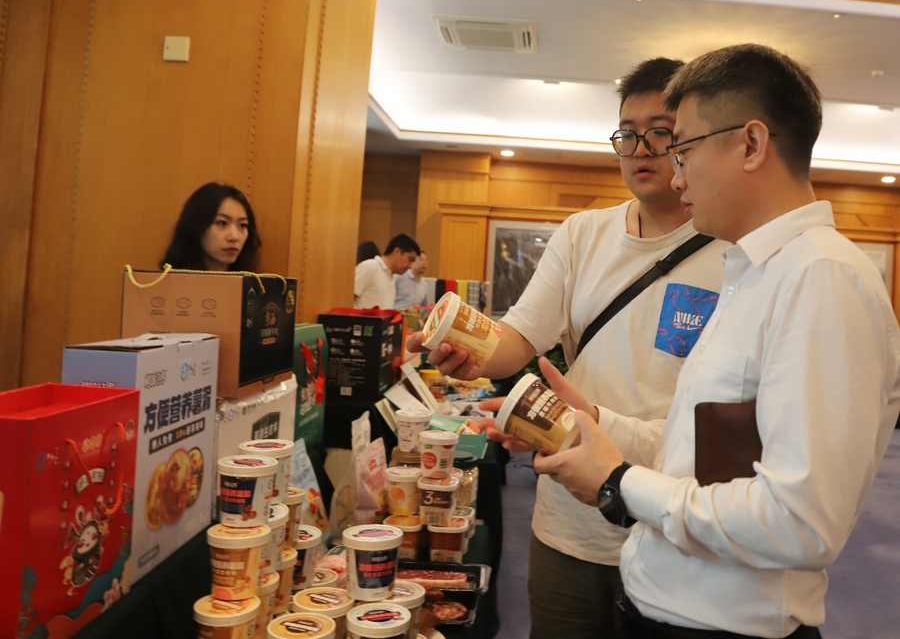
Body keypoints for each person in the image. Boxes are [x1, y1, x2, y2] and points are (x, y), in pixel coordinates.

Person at [529, 43, 900, 638]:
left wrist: (619, 483)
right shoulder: (753, 272)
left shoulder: (821, 278)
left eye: (684, 150)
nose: (676, 175)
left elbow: (799, 521)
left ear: (751, 145)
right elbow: (704, 454)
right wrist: (599, 424)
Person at [407, 58, 728, 638]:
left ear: (689, 138)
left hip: (671, 516)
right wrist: (467, 351)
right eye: (627, 133)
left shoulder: (730, 247)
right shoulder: (583, 233)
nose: (641, 149)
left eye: (660, 132)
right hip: (569, 518)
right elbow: (518, 338)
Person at [161, 181, 261, 271]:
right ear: (196, 225)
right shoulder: (167, 283)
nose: (234, 237)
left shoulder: (256, 284)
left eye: (243, 225)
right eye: (222, 223)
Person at [354, 233, 421, 309]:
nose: (410, 266)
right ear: (396, 252)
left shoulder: (391, 276)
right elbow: (346, 298)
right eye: (410, 259)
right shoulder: (369, 267)